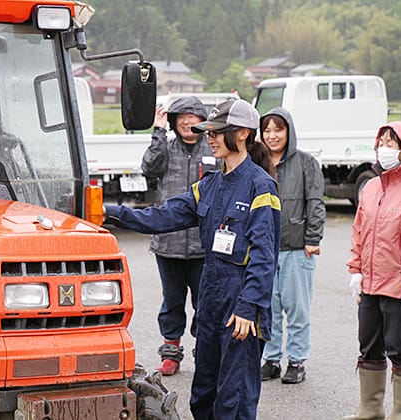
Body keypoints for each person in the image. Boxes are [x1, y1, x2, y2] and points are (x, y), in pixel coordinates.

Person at [105, 98, 281, 419]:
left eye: (217, 132)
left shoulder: (260, 186)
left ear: (243, 133)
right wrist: (108, 213)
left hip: (240, 309)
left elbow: (264, 256)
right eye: (208, 133)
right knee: (203, 396)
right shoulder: (208, 185)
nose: (210, 138)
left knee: (234, 400)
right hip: (211, 302)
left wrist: (248, 307)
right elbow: (161, 216)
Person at [344, 122, 401, 419]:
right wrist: (356, 270)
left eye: (393, 143)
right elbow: (359, 231)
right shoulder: (371, 187)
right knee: (368, 344)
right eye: (382, 142)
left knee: (400, 346)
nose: (385, 148)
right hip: (370, 282)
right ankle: (370, 409)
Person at [141, 97, 218, 376]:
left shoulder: (213, 148)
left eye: (192, 117)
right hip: (168, 242)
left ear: (202, 120)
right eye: (181, 117)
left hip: (204, 244)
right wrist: (158, 132)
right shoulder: (166, 147)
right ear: (173, 122)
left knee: (205, 302)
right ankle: (171, 354)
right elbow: (149, 168)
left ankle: (205, 351)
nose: (187, 122)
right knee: (172, 301)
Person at [259, 108, 326, 384]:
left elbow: (316, 203)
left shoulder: (306, 162)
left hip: (297, 248)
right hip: (265, 249)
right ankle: (272, 359)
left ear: (289, 132)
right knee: (269, 308)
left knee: (297, 309)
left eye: (278, 129)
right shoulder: (258, 161)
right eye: (267, 130)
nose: (272, 136)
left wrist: (312, 238)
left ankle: (297, 360)